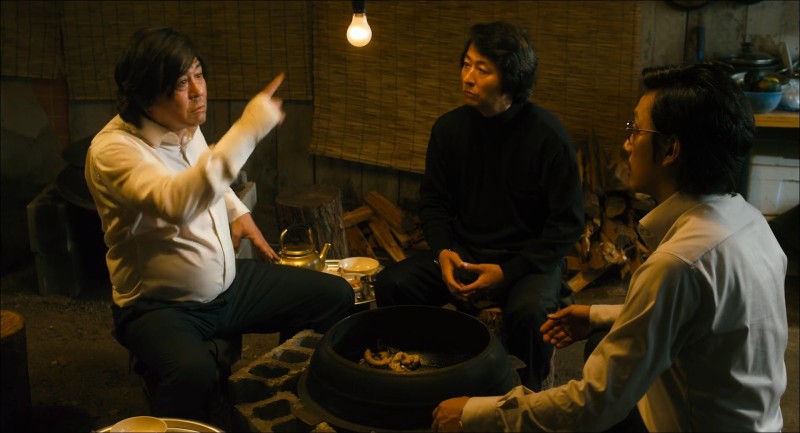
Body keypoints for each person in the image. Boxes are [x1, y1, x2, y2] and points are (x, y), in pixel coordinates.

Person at [432, 62, 789, 432]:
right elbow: (698, 317)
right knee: (600, 343)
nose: (626, 144)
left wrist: (473, 413)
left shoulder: (678, 264)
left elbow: (593, 405)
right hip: (759, 423)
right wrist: (596, 315)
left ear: (670, 150)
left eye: (635, 130)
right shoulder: (749, 221)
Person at [84, 27, 354, 421]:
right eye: (181, 83)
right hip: (161, 305)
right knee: (191, 374)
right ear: (146, 94)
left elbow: (205, 170)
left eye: (198, 74)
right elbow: (175, 201)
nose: (198, 90)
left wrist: (237, 212)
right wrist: (249, 128)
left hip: (228, 287)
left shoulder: (183, 127)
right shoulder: (114, 151)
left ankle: (286, 391)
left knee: (335, 296)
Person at [373, 20, 584, 392]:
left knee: (531, 314)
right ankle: (419, 376)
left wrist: (508, 271)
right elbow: (434, 202)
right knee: (393, 284)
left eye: (482, 69)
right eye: (466, 64)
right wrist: (443, 253)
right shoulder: (449, 130)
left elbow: (566, 225)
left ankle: (528, 397)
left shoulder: (548, 137)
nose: (467, 77)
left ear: (511, 79)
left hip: (526, 261)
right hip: (465, 253)